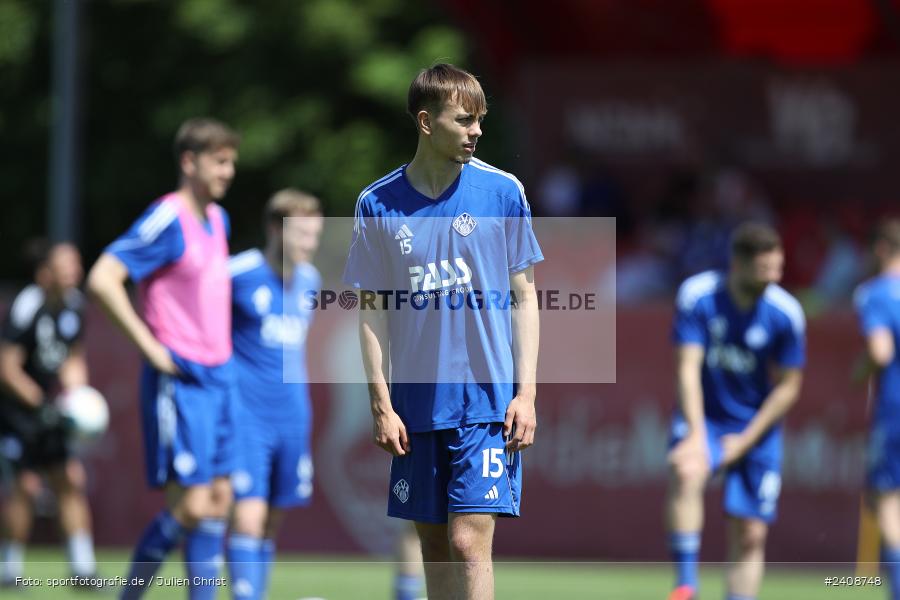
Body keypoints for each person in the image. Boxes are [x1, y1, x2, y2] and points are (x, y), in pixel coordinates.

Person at [343, 63, 542, 600]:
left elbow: (526, 297)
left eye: (480, 119)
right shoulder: (377, 204)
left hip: (486, 400)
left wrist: (526, 395)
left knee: (468, 541)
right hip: (414, 404)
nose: (477, 130)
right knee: (433, 545)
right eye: (464, 119)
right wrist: (381, 404)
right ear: (427, 123)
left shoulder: (503, 192)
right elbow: (370, 310)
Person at [87, 117, 239, 600]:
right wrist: (151, 348)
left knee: (218, 501)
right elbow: (103, 277)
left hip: (220, 377)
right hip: (181, 378)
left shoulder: (218, 219)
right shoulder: (167, 217)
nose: (229, 171)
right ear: (189, 162)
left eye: (232, 162)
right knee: (192, 505)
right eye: (220, 161)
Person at [666, 222, 806, 600]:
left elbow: (790, 386)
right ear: (738, 263)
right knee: (687, 467)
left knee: (750, 534)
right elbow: (687, 368)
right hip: (706, 417)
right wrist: (696, 435)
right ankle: (686, 585)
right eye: (764, 271)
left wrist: (744, 442)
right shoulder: (698, 296)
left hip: (755, 427)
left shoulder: (786, 313)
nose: (772, 279)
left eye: (777, 270)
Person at [225, 189, 323, 600]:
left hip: (292, 415)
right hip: (245, 414)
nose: (308, 244)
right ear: (273, 229)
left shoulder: (311, 281)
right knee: (248, 516)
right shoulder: (236, 273)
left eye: (314, 235)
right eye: (300, 233)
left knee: (270, 521)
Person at [0, 240, 98, 586]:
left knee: (70, 480)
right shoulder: (28, 305)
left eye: (77, 263)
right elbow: (7, 367)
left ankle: (83, 570)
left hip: (50, 410)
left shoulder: (74, 306)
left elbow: (73, 359)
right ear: (45, 273)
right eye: (66, 264)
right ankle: (8, 571)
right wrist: (38, 404)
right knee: (25, 487)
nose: (75, 270)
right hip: (17, 411)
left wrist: (78, 398)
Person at [853, 219, 900, 600]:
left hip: (895, 408)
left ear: (882, 248)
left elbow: (880, 351)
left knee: (887, 500)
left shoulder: (875, 293)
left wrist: (859, 372)